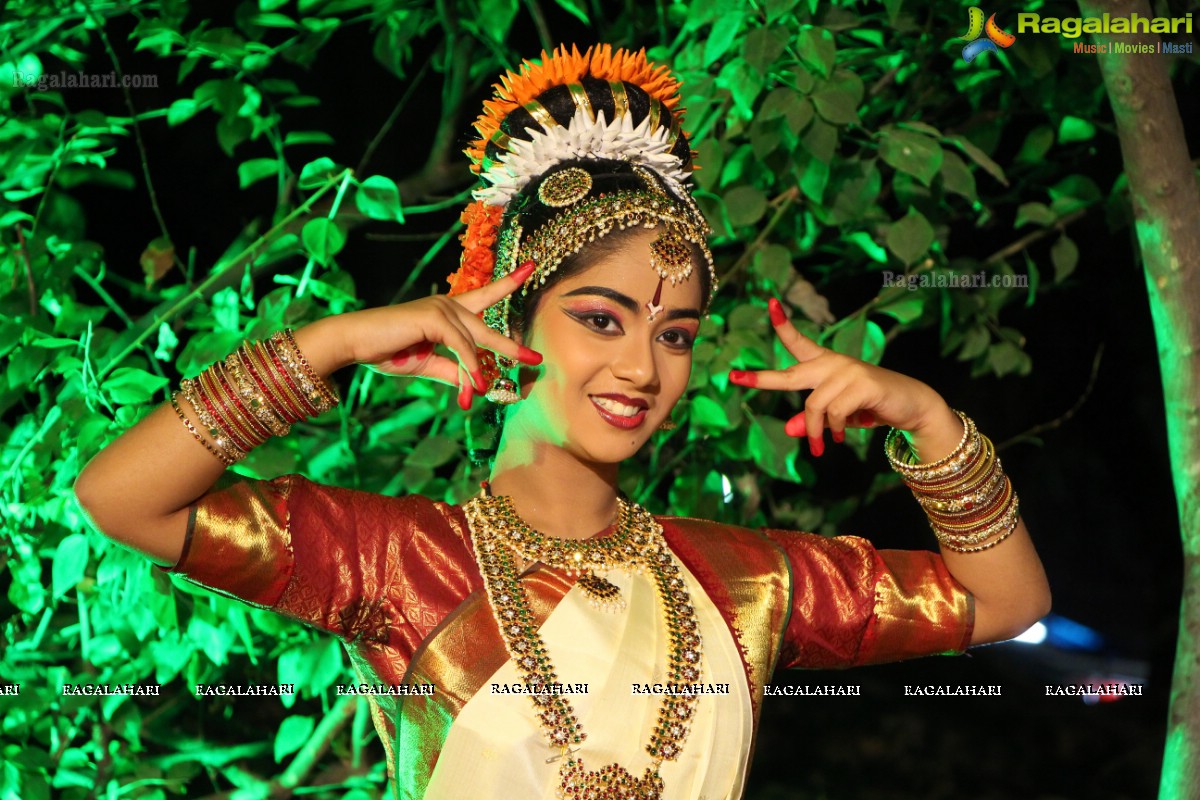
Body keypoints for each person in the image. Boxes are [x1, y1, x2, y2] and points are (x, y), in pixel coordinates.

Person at [75, 44, 1051, 800]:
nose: (640, 365)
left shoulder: (740, 578)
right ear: (509, 320)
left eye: (675, 333)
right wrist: (331, 342)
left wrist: (927, 417)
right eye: (600, 318)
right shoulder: (395, 561)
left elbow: (1005, 603)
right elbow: (121, 496)